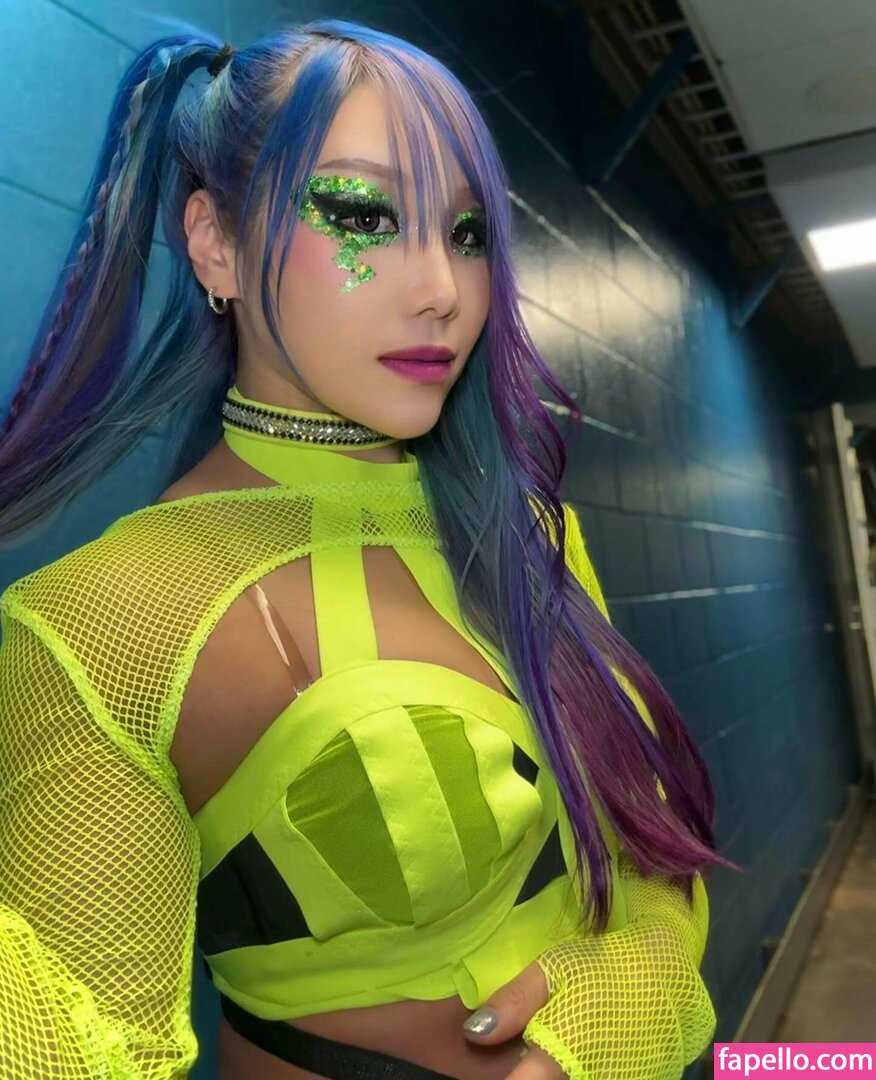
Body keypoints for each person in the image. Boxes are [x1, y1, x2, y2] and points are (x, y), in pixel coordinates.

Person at [0, 19, 738, 1080]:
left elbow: (647, 850)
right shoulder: (104, 619)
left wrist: (627, 996)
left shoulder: (529, 530)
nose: (442, 288)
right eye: (361, 214)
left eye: (469, 232)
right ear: (215, 242)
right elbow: (76, 1046)